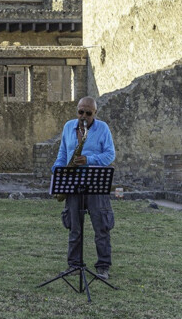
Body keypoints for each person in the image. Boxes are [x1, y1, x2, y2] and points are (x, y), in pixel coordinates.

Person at [51, 96, 116, 280]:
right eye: (81, 112)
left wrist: (89, 160)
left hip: (95, 184)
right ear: (77, 111)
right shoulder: (68, 127)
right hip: (72, 184)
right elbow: (63, 153)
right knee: (74, 228)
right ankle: (74, 265)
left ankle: (103, 267)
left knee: (101, 227)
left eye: (88, 113)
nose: (84, 116)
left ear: (95, 113)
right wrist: (58, 169)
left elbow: (110, 154)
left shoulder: (102, 128)